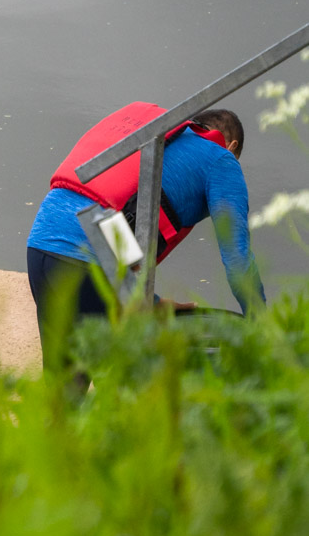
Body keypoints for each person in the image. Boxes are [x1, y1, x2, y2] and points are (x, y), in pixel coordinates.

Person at [26, 102, 265, 372]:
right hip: (88, 260)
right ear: (232, 146)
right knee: (119, 385)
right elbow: (237, 259)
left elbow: (108, 211)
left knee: (65, 388)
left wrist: (152, 303)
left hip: (40, 245)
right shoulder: (222, 160)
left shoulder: (154, 140)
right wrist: (263, 326)